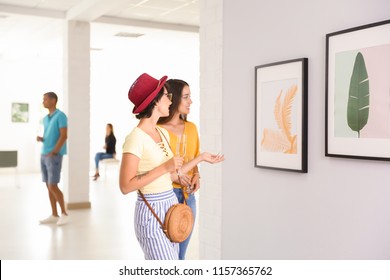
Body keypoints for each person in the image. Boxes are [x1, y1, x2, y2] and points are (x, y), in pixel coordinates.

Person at [119, 73, 184, 260]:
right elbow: (125, 186)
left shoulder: (161, 132)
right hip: (151, 211)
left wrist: (180, 177)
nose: (170, 101)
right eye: (166, 95)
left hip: (170, 206)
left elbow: (164, 174)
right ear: (155, 101)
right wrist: (165, 168)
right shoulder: (135, 138)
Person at [158, 79, 224, 259]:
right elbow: (155, 169)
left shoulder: (191, 128)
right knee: (165, 256)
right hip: (165, 196)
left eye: (190, 97)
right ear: (173, 99)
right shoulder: (157, 130)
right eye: (186, 97)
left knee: (180, 256)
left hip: (188, 198)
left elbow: (194, 158)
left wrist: (197, 175)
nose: (190, 101)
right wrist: (174, 177)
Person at [36, 92, 69, 226]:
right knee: (48, 186)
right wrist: (42, 139)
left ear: (53, 100)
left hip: (53, 155)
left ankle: (64, 214)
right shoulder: (45, 118)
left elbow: (64, 135)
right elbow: (51, 135)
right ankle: (54, 214)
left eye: (45, 99)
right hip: (44, 154)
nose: (43, 101)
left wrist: (54, 151)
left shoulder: (61, 116)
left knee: (53, 185)